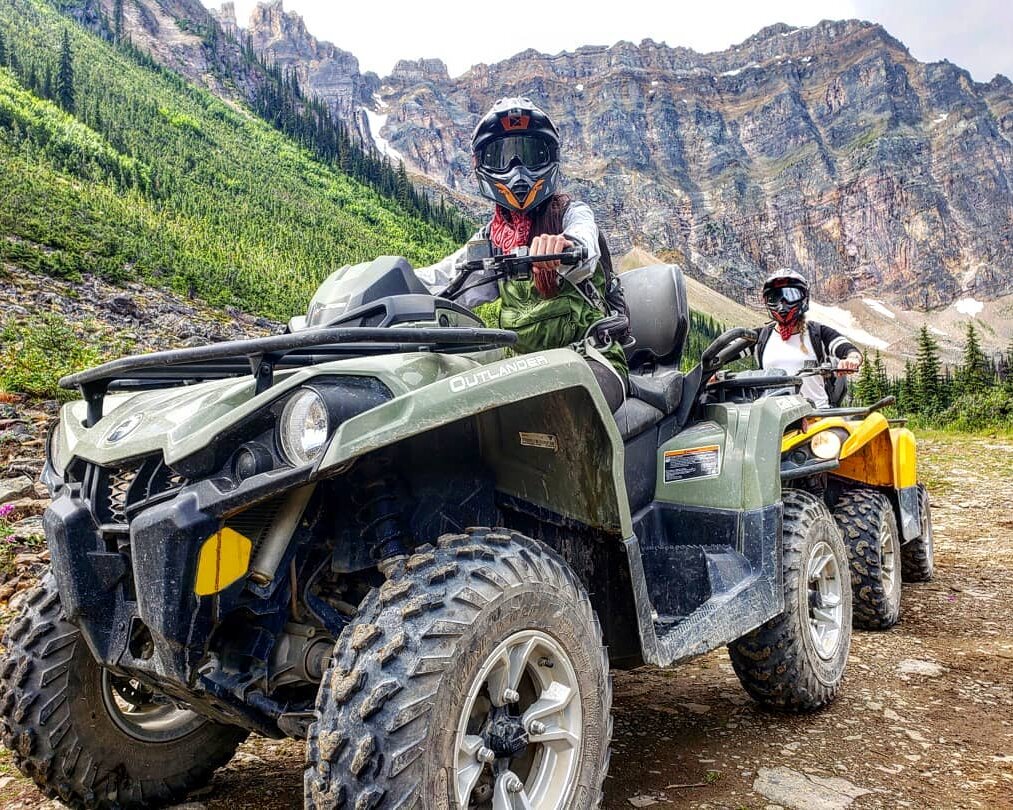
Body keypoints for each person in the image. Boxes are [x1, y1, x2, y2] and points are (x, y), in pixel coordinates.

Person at [415, 97, 628, 412]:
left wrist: (565, 246)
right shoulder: (492, 239)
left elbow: (587, 246)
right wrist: (395, 283)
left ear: (549, 159)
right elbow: (447, 279)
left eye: (529, 155)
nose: (517, 170)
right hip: (524, 371)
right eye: (503, 157)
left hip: (591, 361)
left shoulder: (572, 213)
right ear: (483, 164)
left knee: (559, 411)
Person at [751, 269, 863, 408]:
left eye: (791, 295)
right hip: (774, 420)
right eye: (775, 297)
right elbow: (726, 349)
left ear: (803, 297)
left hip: (816, 416)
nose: (783, 303)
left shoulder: (818, 333)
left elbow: (845, 347)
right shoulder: (760, 337)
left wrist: (851, 360)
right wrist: (715, 371)